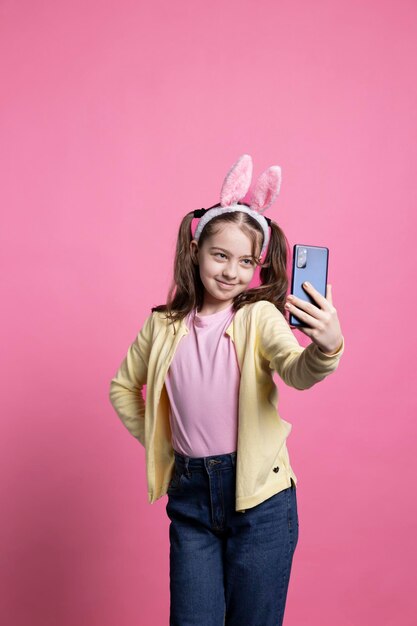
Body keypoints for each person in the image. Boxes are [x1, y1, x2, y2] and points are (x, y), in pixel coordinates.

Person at [109, 154, 344, 626]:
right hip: (190, 493)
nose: (231, 272)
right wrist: (163, 444)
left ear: (258, 267)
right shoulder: (163, 324)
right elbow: (122, 388)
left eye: (246, 261)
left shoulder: (259, 317)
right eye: (220, 255)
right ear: (195, 250)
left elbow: (296, 371)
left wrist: (327, 347)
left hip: (260, 500)